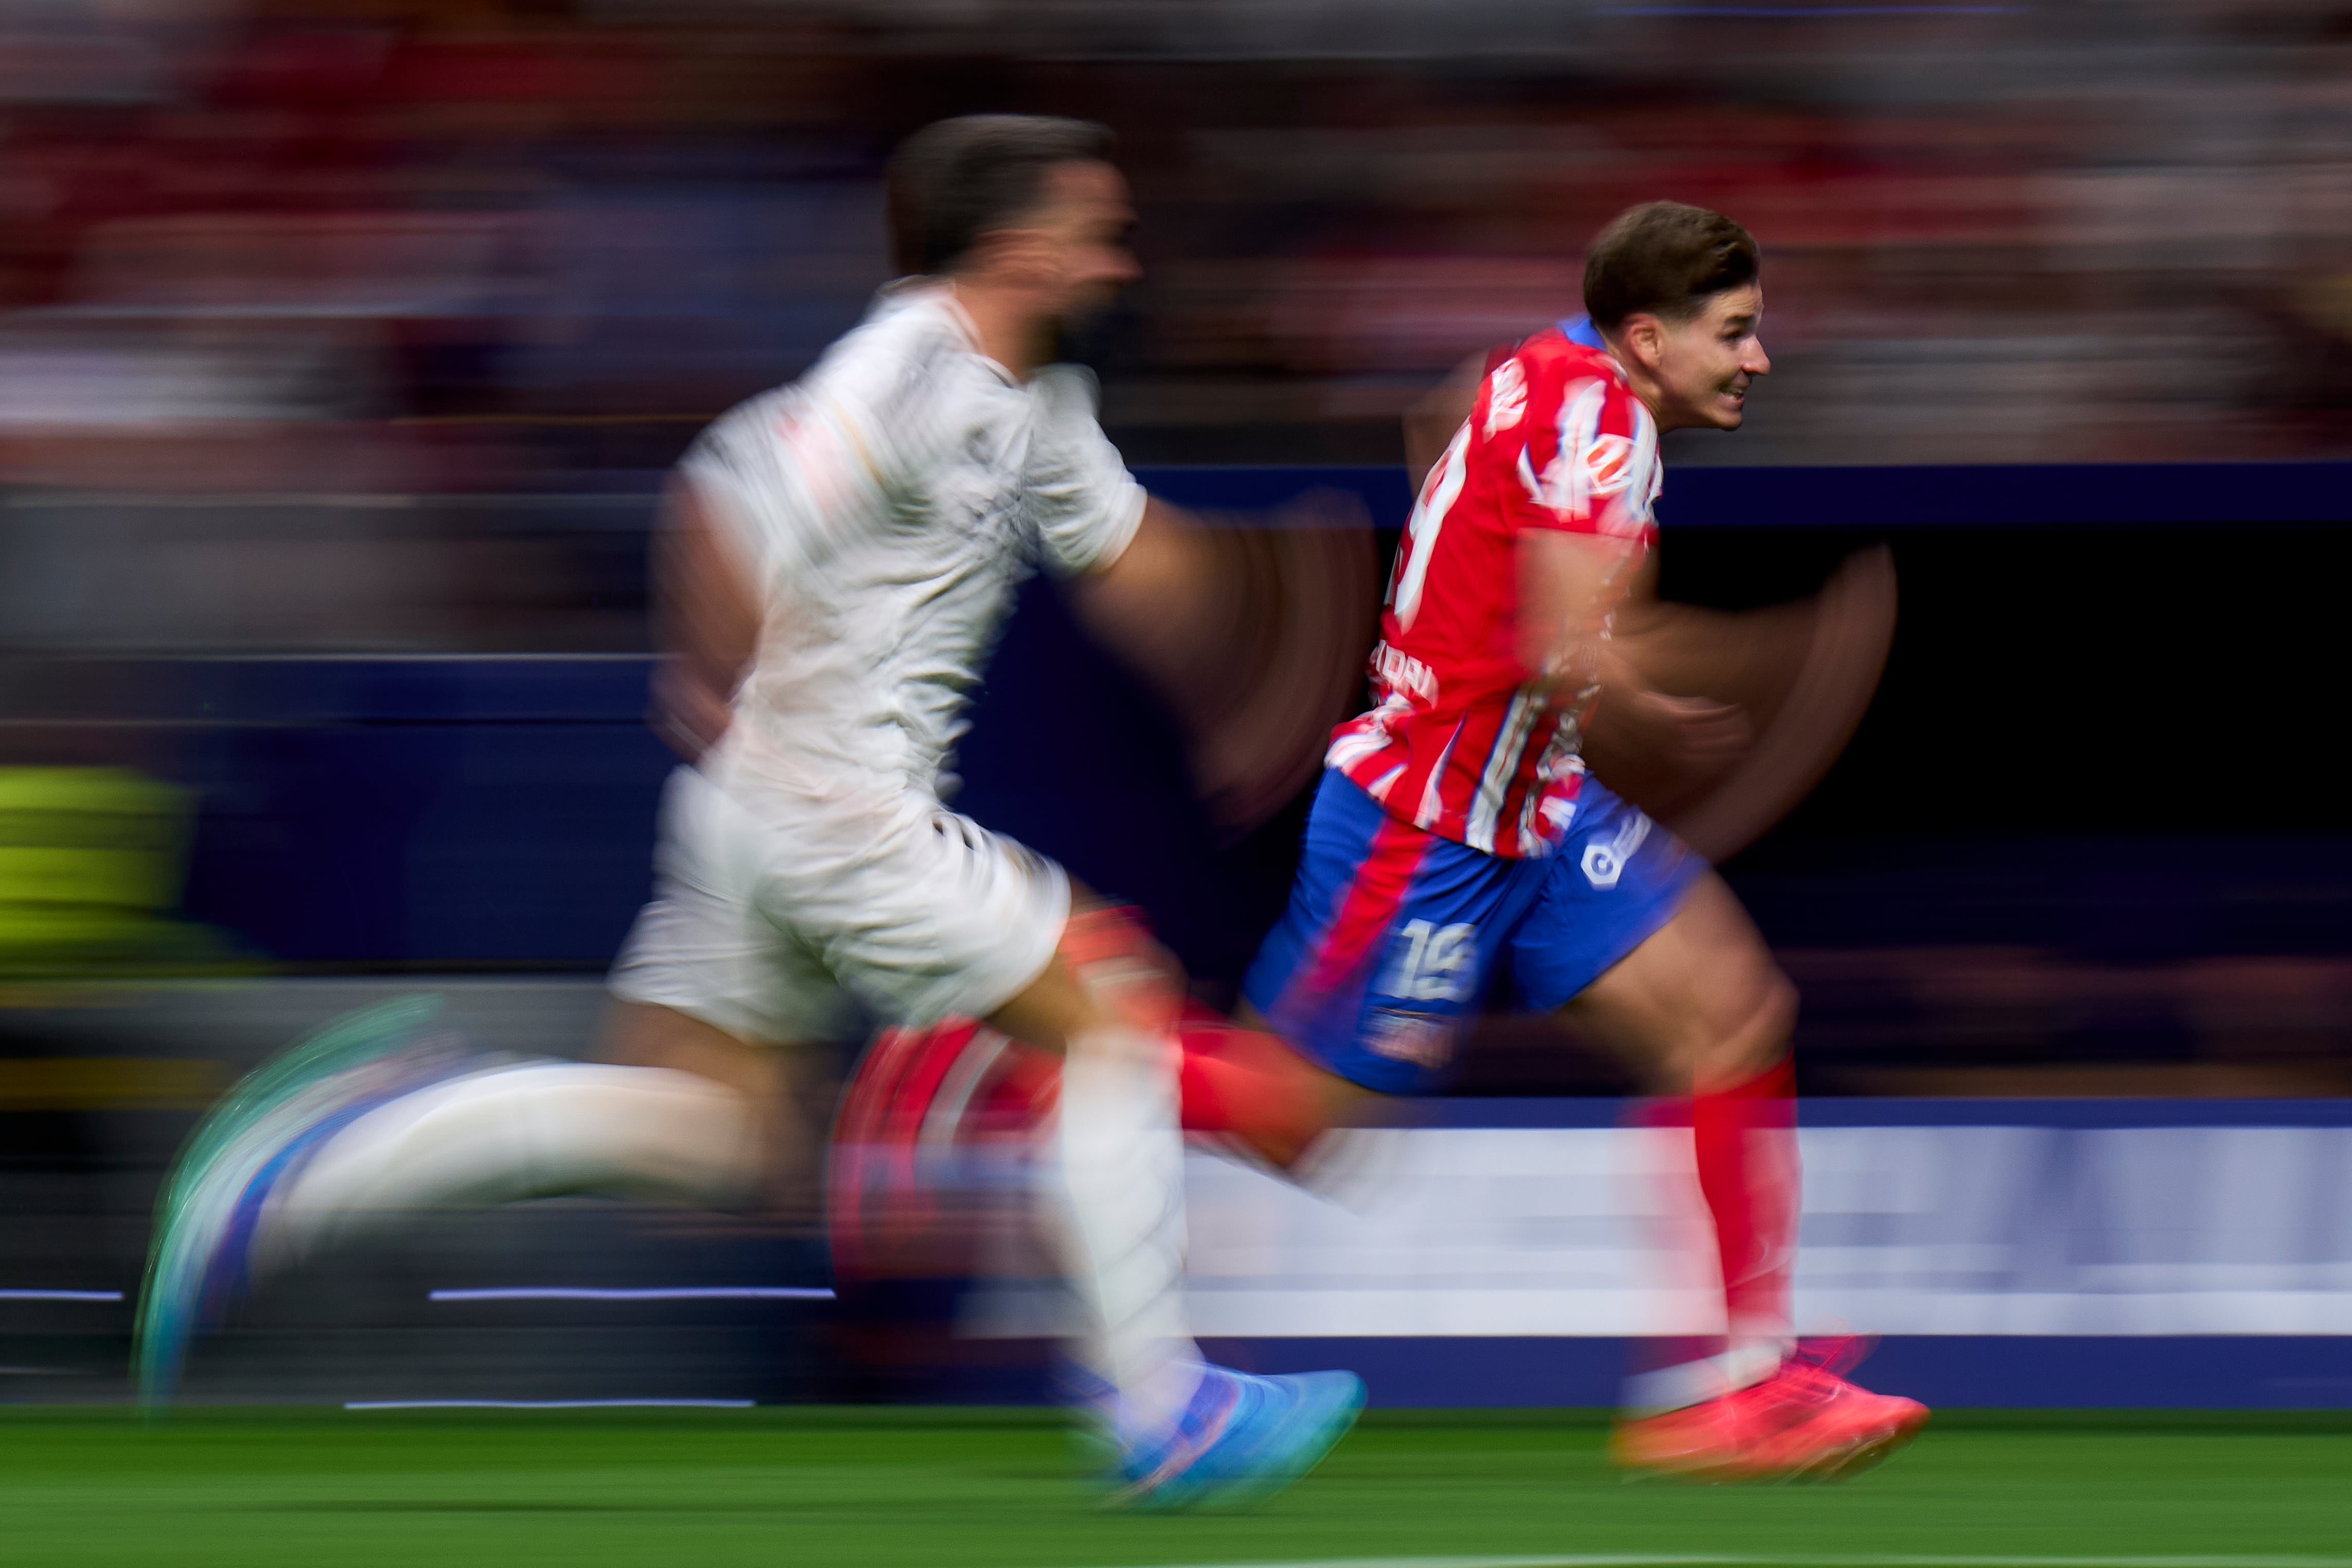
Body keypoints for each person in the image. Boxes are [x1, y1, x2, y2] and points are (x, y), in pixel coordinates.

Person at [136, 114, 1363, 1510]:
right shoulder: (904, 365)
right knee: (1113, 1011)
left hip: (761, 815)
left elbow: (1140, 564)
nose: (1121, 260)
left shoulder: (1036, 407)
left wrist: (1274, 629)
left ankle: (315, 1163)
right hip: (838, 812)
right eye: (1097, 228)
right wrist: (723, 656)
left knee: (713, 1133)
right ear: (1020, 243)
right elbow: (755, 492)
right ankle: (1159, 1406)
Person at [872, 200, 1926, 1483]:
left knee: (1729, 1017)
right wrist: (1728, 668)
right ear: (1647, 337)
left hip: (1534, 806)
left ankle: (1728, 1386)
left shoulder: (1543, 361)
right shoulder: (1605, 429)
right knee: (1298, 1119)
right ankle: (1007, 1050)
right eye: (1735, 333)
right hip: (1427, 826)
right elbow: (1557, 640)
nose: (1756, 358)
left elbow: (1447, 428)